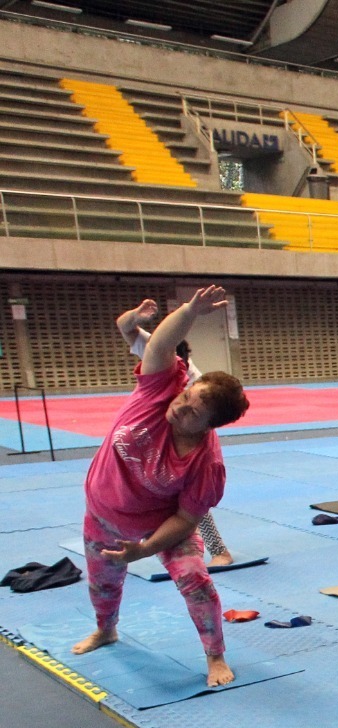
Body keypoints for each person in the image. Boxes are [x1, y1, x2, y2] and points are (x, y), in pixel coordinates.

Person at [73, 286, 250, 687]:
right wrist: (190, 310)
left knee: (195, 580)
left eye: (193, 412)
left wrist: (144, 550)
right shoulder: (158, 389)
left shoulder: (208, 463)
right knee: (102, 583)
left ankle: (216, 657)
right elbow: (161, 343)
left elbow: (188, 517)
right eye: (187, 396)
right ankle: (106, 629)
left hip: (160, 526)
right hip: (104, 514)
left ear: (209, 426)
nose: (180, 407)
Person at [116, 299, 234, 567]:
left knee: (192, 500)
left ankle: (219, 550)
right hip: (158, 429)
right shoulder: (157, 350)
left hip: (188, 435)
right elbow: (124, 326)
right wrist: (134, 316)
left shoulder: (196, 382)